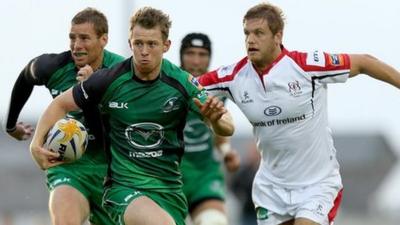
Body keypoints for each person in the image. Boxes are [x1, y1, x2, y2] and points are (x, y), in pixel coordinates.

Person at [198, 2, 400, 225]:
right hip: (271, 189)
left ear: (278, 36)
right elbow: (186, 88)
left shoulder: (306, 66)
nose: (250, 40)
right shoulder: (234, 76)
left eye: (259, 33)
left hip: (316, 186)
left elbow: (364, 62)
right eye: (247, 33)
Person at [29, 6, 234, 225]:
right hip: (123, 188)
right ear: (130, 44)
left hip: (169, 190)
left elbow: (227, 125)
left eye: (152, 44)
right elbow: (60, 104)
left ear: (166, 46)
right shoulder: (109, 79)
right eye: (138, 43)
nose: (144, 51)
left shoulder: (181, 82)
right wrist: (36, 143)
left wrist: (216, 119)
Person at [4, 8, 124, 225]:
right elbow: (25, 76)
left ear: (103, 39)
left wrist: (90, 90)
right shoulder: (53, 66)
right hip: (69, 166)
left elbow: (109, 136)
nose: (76, 46)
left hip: (110, 169)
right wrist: (11, 125)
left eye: (85, 38)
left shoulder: (120, 73)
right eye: (72, 37)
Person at [179, 32, 240, 225]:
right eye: (190, 53)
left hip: (204, 175)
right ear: (181, 55)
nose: (196, 60)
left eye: (202, 54)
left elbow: (220, 133)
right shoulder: (166, 84)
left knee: (214, 221)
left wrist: (226, 152)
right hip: (170, 175)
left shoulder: (217, 89)